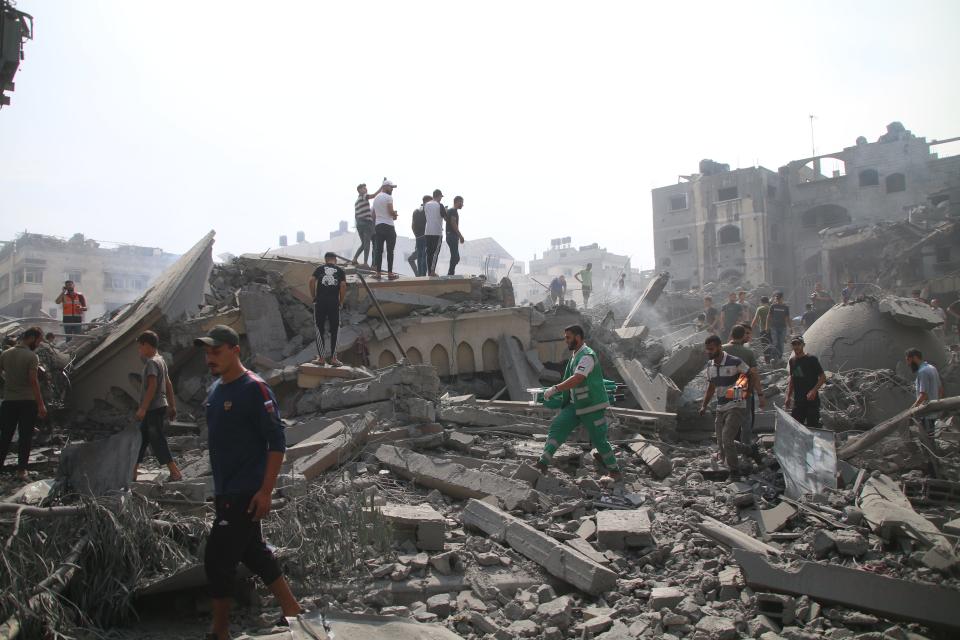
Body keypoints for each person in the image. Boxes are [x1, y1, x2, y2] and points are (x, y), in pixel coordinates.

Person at [194, 325, 302, 640]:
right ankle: (292, 609)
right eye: (207, 352)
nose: (210, 358)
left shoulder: (254, 388)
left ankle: (220, 631)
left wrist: (266, 491)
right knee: (253, 551)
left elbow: (276, 443)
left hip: (246, 490)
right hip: (225, 488)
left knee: (217, 559)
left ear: (234, 350)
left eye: (216, 351)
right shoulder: (216, 391)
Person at [536, 325, 621, 483]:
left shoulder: (587, 356)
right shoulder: (575, 356)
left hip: (591, 405)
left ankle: (614, 471)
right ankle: (542, 463)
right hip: (575, 405)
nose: (566, 340)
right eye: (565, 337)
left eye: (569, 337)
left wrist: (555, 389)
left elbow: (578, 378)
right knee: (557, 426)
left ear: (579, 337)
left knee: (599, 440)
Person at [699, 335, 752, 479]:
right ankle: (749, 450)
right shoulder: (710, 365)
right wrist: (704, 405)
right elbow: (711, 387)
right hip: (721, 406)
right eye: (707, 350)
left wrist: (741, 393)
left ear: (719, 347)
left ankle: (734, 472)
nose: (709, 352)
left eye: (711, 349)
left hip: (736, 405)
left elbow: (749, 374)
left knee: (727, 437)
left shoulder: (734, 362)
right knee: (721, 439)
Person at [132, 331, 182, 482]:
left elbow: (152, 386)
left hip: (153, 408)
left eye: (140, 347)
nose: (139, 350)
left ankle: (175, 472)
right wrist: (172, 405)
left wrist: (143, 408)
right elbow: (168, 383)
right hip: (159, 406)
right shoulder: (161, 360)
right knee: (142, 439)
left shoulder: (152, 362)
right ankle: (132, 473)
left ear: (147, 345)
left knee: (157, 439)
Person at [0, 327, 47, 480]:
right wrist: (41, 404)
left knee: (5, 436)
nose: (39, 344)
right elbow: (33, 381)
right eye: (39, 341)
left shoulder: (5, 354)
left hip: (9, 402)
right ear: (32, 338)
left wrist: (9, 382)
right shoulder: (31, 356)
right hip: (28, 401)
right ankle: (21, 471)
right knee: (25, 436)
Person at [724, 324, 766, 461]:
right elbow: (754, 374)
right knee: (746, 421)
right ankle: (745, 451)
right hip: (742, 390)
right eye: (746, 334)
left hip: (726, 392)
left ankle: (728, 451)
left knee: (728, 421)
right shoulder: (747, 353)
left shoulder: (722, 350)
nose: (748, 336)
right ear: (742, 335)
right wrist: (760, 394)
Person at [309, 252, 347, 367]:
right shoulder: (340, 271)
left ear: (326, 260)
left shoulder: (319, 269)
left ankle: (321, 358)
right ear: (335, 259)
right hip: (333, 303)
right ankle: (334, 359)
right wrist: (341, 301)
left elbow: (311, 281)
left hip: (320, 302)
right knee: (335, 328)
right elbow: (343, 286)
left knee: (319, 328)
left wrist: (314, 296)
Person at [784, 336, 826, 428]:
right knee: (796, 427)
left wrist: (813, 391)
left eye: (798, 344)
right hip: (798, 401)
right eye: (794, 344)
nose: (796, 346)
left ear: (803, 345)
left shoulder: (812, 359)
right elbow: (792, 379)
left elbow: (823, 377)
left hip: (812, 401)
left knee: (813, 427)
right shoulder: (792, 361)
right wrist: (788, 396)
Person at [905, 348, 943, 437]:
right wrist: (938, 406)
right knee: (932, 437)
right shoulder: (932, 368)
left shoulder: (923, 372)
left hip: (926, 413)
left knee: (927, 439)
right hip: (934, 411)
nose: (908, 364)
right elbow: (940, 389)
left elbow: (923, 395)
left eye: (908, 360)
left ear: (914, 358)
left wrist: (912, 410)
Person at [371, 179, 399, 280]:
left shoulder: (376, 198)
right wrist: (395, 214)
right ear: (385, 187)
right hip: (388, 226)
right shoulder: (388, 197)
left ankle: (378, 273)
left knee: (379, 250)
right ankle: (390, 273)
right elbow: (390, 212)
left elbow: (373, 215)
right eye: (391, 187)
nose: (392, 189)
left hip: (378, 226)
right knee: (390, 251)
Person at [352, 183, 380, 267]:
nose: (366, 189)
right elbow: (374, 195)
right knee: (367, 244)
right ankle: (365, 263)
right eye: (364, 188)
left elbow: (355, 216)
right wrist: (381, 187)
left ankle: (354, 258)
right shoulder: (364, 196)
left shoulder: (356, 202)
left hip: (359, 224)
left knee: (364, 244)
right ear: (360, 190)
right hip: (366, 223)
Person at [424, 190, 446, 277]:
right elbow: (446, 218)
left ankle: (429, 271)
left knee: (429, 253)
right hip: (437, 232)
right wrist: (445, 211)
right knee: (435, 253)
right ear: (439, 196)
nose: (441, 199)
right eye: (441, 197)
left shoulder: (426, 205)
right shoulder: (440, 205)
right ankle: (432, 271)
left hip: (427, 231)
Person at [765, 292, 792, 360]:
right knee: (775, 342)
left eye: (779, 298)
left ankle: (780, 357)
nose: (778, 299)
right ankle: (774, 357)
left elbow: (787, 318)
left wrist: (790, 327)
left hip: (783, 327)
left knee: (781, 343)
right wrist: (767, 326)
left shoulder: (785, 307)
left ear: (782, 298)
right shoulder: (773, 306)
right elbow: (769, 316)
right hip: (774, 327)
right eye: (777, 298)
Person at [408, 195, 430, 276]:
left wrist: (417, 235)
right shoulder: (426, 211)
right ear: (426, 202)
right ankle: (421, 275)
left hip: (418, 237)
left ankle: (419, 275)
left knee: (420, 257)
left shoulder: (416, 211)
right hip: (425, 237)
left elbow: (412, 226)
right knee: (423, 257)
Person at [445, 196, 465, 275]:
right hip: (452, 236)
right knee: (455, 257)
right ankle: (450, 273)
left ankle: (450, 272)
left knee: (456, 257)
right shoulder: (453, 211)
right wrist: (460, 236)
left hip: (450, 236)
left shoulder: (451, 211)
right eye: (461, 202)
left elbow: (447, 220)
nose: (462, 205)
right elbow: (453, 223)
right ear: (456, 202)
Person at [751, 296, 772, 362]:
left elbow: (755, 319)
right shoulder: (771, 308)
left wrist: (750, 328)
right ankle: (772, 358)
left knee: (764, 344)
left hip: (763, 330)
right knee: (771, 344)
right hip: (772, 330)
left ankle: (767, 360)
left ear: (761, 302)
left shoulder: (760, 309)